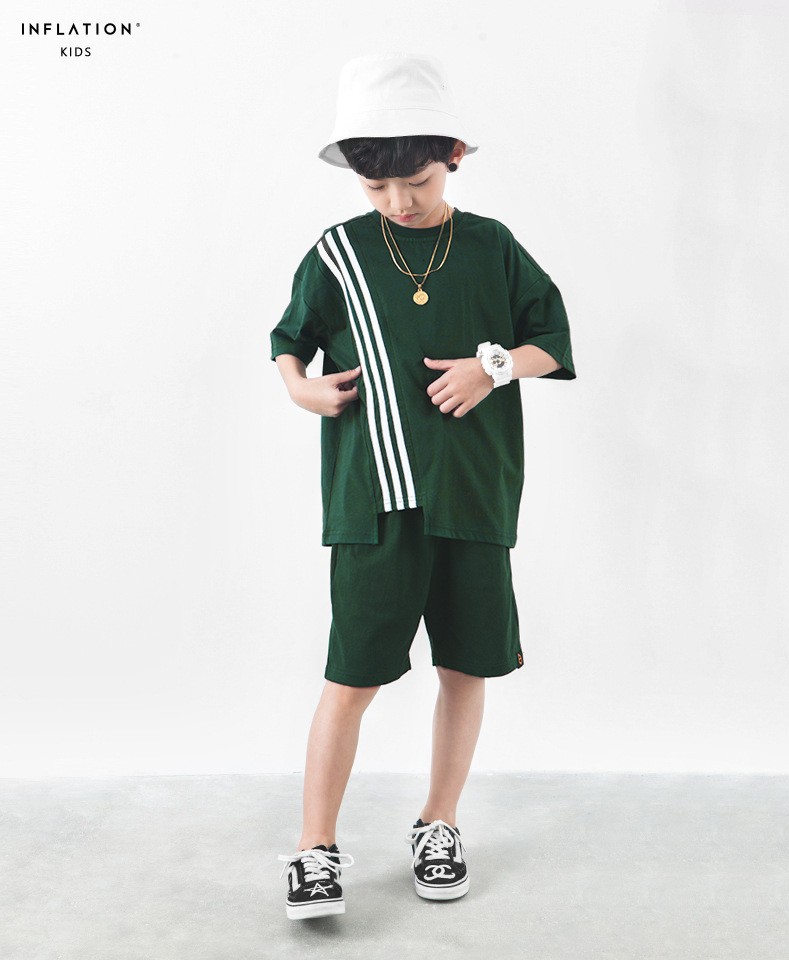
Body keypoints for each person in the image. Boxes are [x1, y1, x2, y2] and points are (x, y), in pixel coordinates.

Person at [272, 52, 576, 920]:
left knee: (465, 666)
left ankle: (439, 823)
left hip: (473, 495)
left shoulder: (490, 246)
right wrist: (299, 388)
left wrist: (492, 366)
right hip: (372, 505)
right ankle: (315, 848)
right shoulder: (338, 252)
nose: (399, 202)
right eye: (377, 187)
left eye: (418, 180)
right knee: (351, 676)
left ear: (454, 157)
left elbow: (551, 337)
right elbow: (289, 342)